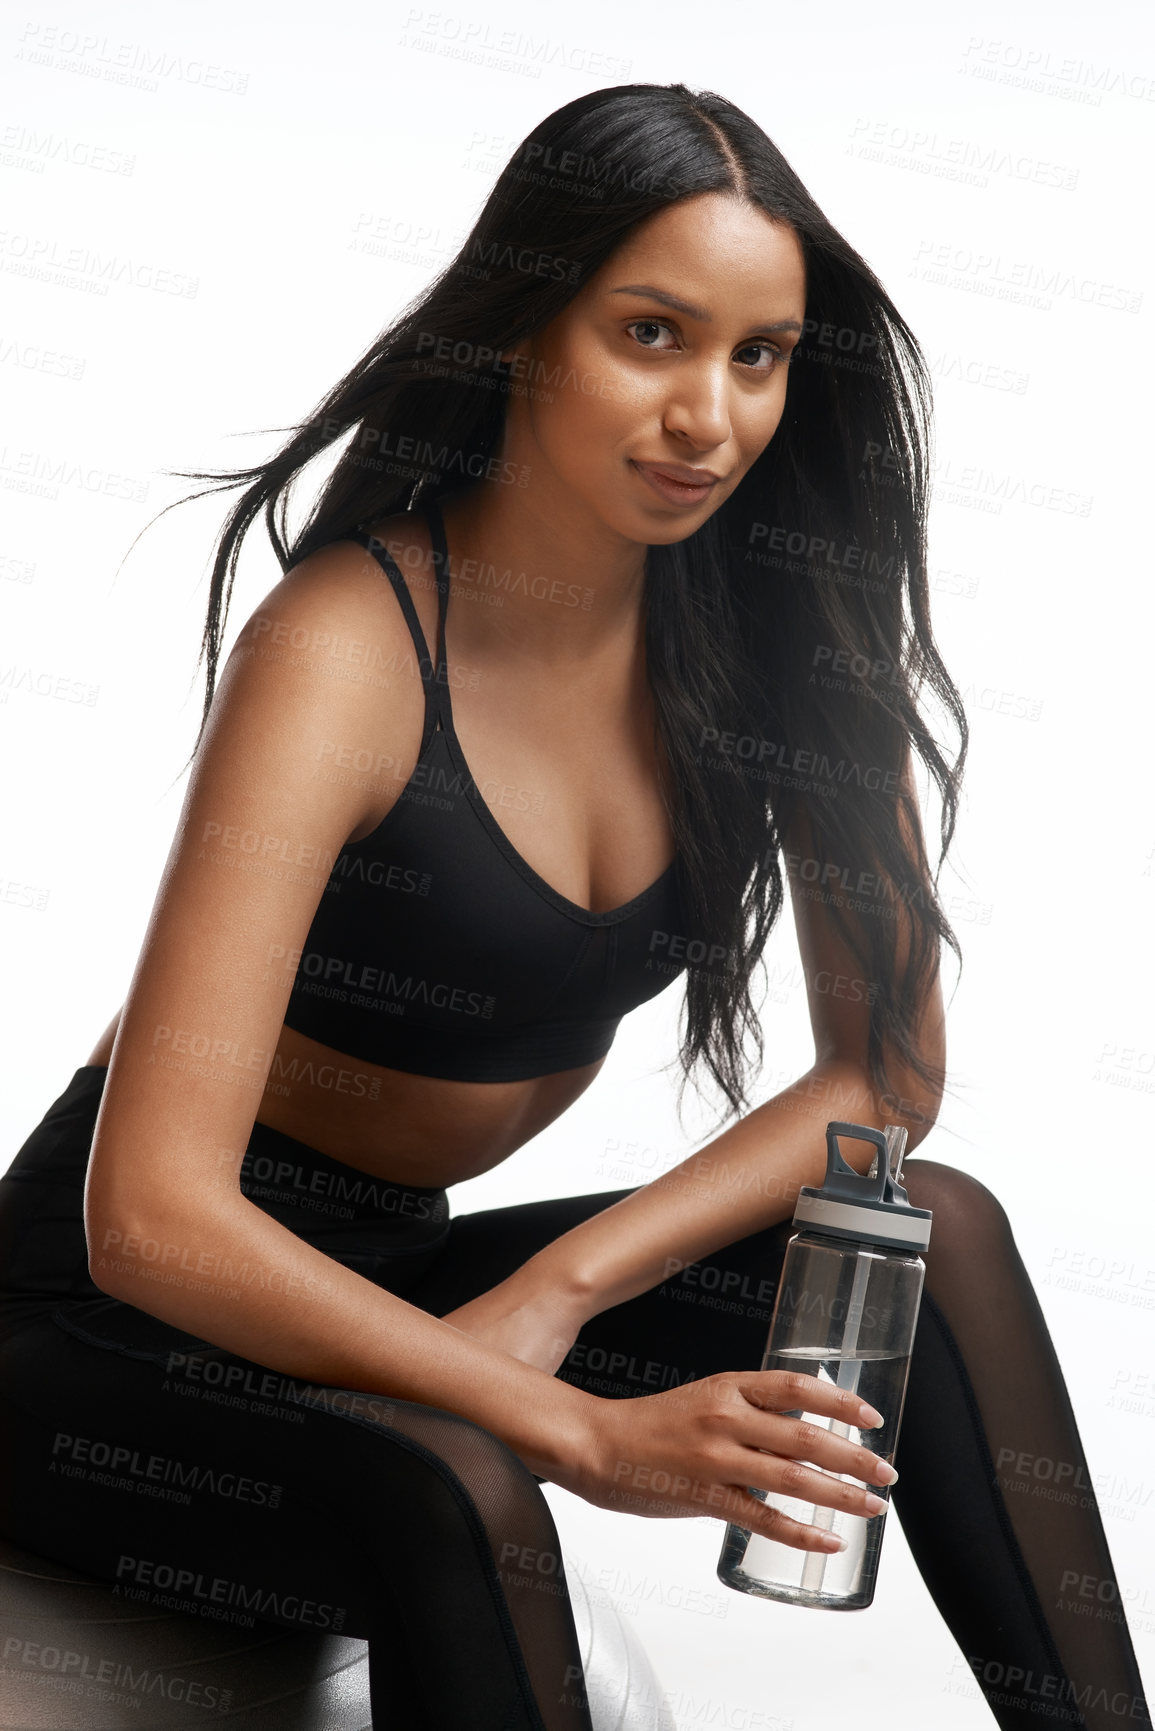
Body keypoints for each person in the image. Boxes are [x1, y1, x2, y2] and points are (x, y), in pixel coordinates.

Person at [0, 81, 1148, 1731]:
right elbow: (157, 1218)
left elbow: (880, 1081)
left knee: (938, 1227)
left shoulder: (781, 650)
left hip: (399, 1283)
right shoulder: (348, 645)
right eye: (654, 335)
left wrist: (565, 1290)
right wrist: (582, 1429)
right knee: (460, 1472)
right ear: (529, 327)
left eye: (757, 357)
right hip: (107, 1341)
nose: (711, 415)